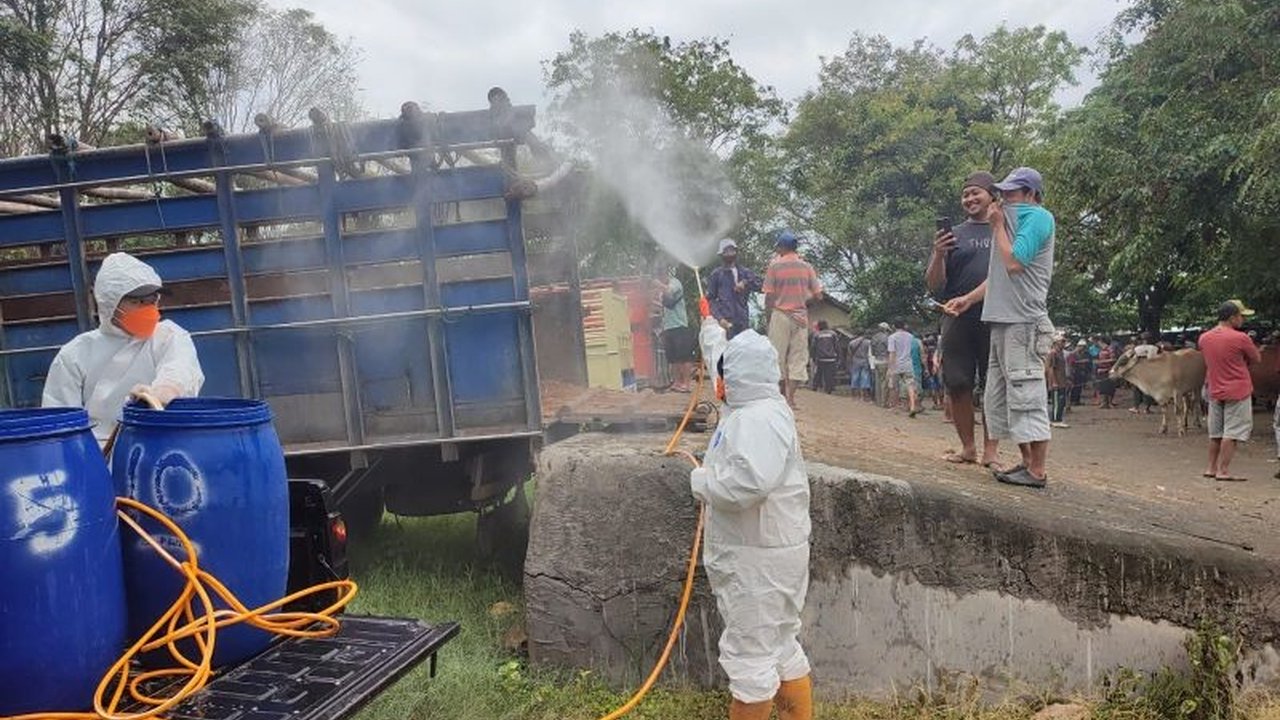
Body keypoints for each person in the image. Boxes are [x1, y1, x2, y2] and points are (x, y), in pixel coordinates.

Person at [693, 315, 813, 720]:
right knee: (780, 645)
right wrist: (711, 331)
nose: (718, 382)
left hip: (757, 561)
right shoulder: (760, 404)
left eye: (724, 374)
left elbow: (746, 484)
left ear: (737, 379)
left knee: (750, 657)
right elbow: (723, 368)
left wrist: (702, 482)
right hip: (772, 551)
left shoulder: (755, 421)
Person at [943, 167, 1056, 488]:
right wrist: (967, 299)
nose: (1005, 200)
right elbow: (999, 277)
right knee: (1002, 397)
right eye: (1002, 194)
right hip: (1002, 321)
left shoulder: (1037, 218)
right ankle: (1025, 461)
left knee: (1026, 393)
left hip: (1023, 321)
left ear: (1031, 195)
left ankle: (1037, 471)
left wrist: (996, 226)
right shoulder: (1011, 223)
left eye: (1012, 194)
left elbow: (1015, 263)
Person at [42, 252, 204, 444]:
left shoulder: (168, 336)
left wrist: (162, 392)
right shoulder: (76, 353)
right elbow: (60, 423)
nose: (148, 309)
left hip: (161, 443)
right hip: (97, 454)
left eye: (152, 300)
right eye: (136, 302)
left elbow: (180, 369)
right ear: (110, 304)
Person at [926, 171, 1000, 466]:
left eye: (976, 193)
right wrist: (938, 254)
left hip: (995, 316)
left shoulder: (1003, 229)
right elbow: (933, 285)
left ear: (991, 195)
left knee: (994, 385)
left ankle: (991, 452)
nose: (969, 198)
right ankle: (968, 447)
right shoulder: (954, 234)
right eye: (965, 194)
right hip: (957, 316)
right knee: (957, 382)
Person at [1199, 300, 1262, 482]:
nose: (1242, 319)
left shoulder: (1204, 338)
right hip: (1238, 390)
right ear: (1232, 317)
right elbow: (1256, 358)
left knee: (1216, 433)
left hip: (1214, 389)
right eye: (1241, 316)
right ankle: (1223, 471)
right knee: (1232, 433)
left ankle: (1210, 468)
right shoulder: (1241, 338)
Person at [763, 230, 823, 409]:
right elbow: (819, 296)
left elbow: (769, 295)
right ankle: (791, 398)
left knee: (777, 356)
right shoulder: (807, 267)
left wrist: (769, 315)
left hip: (780, 314)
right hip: (800, 317)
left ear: (781, 247)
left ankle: (781, 395)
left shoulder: (774, 266)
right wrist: (803, 300)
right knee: (798, 357)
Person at [707, 238, 763, 339]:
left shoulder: (744, 272)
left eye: (732, 251)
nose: (729, 254)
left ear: (736, 252)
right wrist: (720, 319)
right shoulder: (716, 274)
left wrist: (745, 283)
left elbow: (761, 286)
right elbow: (711, 300)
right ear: (721, 255)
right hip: (726, 322)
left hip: (742, 321)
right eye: (726, 252)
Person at [654, 265, 697, 393]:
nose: (661, 278)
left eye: (661, 275)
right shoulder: (662, 290)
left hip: (680, 325)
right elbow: (662, 307)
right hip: (668, 327)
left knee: (684, 356)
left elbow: (670, 292)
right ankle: (677, 382)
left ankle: (686, 384)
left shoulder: (675, 283)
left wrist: (660, 286)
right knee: (672, 358)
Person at [887, 320, 920, 417]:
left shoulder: (892, 337)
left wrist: (890, 367)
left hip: (896, 364)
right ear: (904, 325)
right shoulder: (910, 336)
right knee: (910, 385)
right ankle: (912, 406)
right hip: (908, 364)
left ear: (894, 326)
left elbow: (892, 353)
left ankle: (895, 407)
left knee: (894, 386)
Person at [1129, 332, 1160, 414]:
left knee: (1136, 389)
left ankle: (1136, 407)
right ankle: (1147, 408)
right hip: (1150, 370)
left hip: (1139, 370)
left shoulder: (1137, 348)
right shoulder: (1155, 348)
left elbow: (1133, 359)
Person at [810, 320, 840, 394]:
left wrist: (813, 357)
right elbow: (837, 346)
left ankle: (815, 387)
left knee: (818, 373)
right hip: (831, 358)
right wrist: (838, 356)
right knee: (829, 374)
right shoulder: (833, 334)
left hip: (820, 358)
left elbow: (813, 347)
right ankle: (828, 389)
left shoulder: (817, 335)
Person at [1046, 335, 1070, 428]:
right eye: (1062, 341)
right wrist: (1054, 382)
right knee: (1057, 402)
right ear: (1056, 342)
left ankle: (1059, 418)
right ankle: (1055, 420)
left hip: (1062, 381)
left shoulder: (1061, 353)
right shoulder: (1053, 353)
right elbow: (1050, 368)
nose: (1064, 343)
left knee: (1061, 402)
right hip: (1056, 382)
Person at [870, 322, 891, 408]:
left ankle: (878, 402)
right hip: (884, 361)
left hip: (876, 361)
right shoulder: (886, 337)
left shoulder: (874, 337)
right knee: (884, 383)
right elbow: (889, 350)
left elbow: (872, 352)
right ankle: (883, 402)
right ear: (885, 329)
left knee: (877, 382)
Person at [847, 330, 872, 402]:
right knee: (865, 377)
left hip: (855, 362)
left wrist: (849, 364)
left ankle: (855, 396)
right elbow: (870, 353)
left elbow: (849, 354)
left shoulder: (852, 343)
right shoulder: (868, 342)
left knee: (855, 377)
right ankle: (864, 396)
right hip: (865, 361)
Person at [1095, 341, 1118, 409]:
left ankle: (1110, 402)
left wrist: (1101, 362)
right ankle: (1104, 402)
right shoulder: (1100, 350)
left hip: (1109, 370)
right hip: (1101, 370)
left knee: (1110, 387)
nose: (1099, 344)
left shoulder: (1110, 350)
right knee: (1102, 387)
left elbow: (1113, 359)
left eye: (1100, 343)